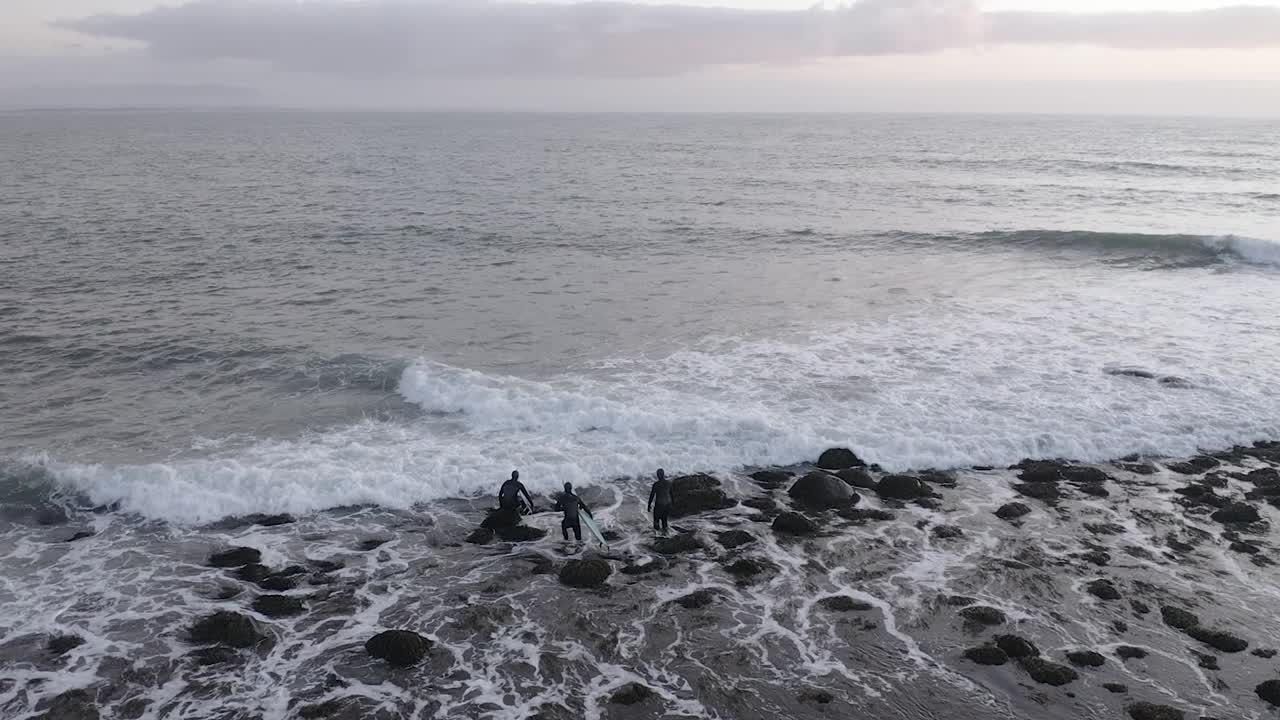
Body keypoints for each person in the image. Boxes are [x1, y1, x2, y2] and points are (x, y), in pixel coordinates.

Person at [647, 468, 673, 533]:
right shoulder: (669, 483)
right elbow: (672, 494)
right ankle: (666, 536)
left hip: (659, 505)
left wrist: (649, 505)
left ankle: (657, 536)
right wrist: (672, 504)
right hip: (667, 505)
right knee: (664, 521)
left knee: (656, 522)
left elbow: (652, 496)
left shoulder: (656, 485)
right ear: (663, 474)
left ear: (658, 475)